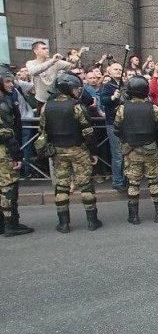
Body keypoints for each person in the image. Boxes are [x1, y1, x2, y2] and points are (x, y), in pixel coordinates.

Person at [36, 72, 102, 233]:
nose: (78, 91)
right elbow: (88, 132)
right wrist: (93, 152)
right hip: (78, 150)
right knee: (85, 184)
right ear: (67, 88)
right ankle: (92, 221)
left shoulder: (47, 107)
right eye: (76, 88)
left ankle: (63, 223)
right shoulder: (77, 106)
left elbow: (42, 131)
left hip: (58, 151)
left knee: (62, 186)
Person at [113, 76, 158, 224]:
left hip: (131, 151)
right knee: (154, 182)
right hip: (150, 150)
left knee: (134, 183)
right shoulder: (154, 108)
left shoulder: (123, 108)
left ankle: (133, 216)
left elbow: (116, 128)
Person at [0, 69, 34, 237]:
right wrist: (17, 155)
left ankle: (3, 224)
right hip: (4, 152)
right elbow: (6, 132)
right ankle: (10, 224)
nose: (11, 84)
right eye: (7, 82)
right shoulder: (2, 103)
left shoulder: (7, 99)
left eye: (11, 81)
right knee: (9, 188)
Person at [100, 62, 127, 190]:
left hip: (124, 123)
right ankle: (117, 180)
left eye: (120, 69)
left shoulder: (123, 85)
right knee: (117, 153)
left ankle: (125, 178)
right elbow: (103, 101)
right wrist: (112, 97)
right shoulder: (107, 85)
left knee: (125, 153)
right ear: (109, 71)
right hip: (113, 123)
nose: (118, 71)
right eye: (115, 69)